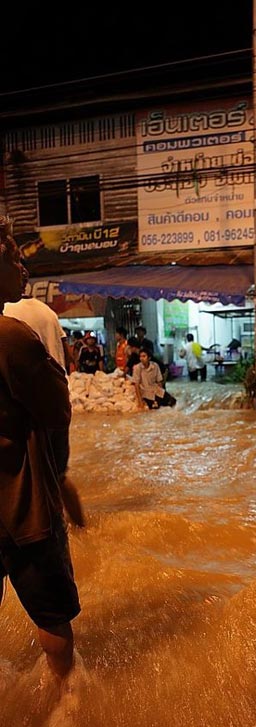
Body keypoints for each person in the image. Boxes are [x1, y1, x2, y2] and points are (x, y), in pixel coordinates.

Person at [0, 218, 81, 686]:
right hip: (21, 503)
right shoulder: (12, 336)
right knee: (51, 617)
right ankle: (66, 704)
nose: (21, 265)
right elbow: (57, 411)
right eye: (12, 256)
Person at [4, 266, 86, 529]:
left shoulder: (8, 314)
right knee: (59, 474)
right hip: (56, 401)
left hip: (25, 410)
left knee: (30, 485)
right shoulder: (48, 312)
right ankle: (82, 529)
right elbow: (68, 357)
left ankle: (50, 531)